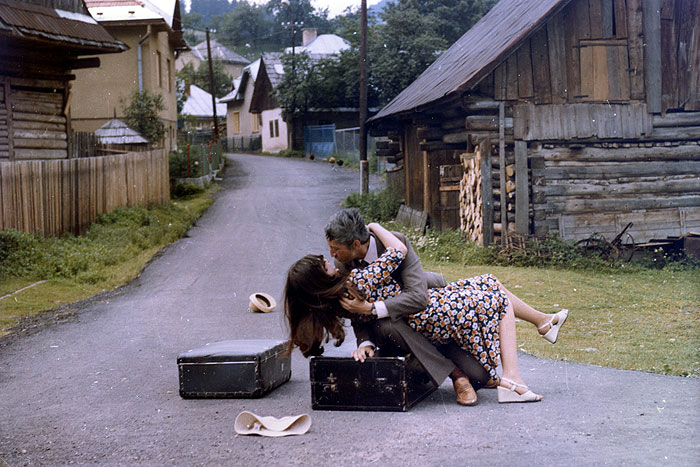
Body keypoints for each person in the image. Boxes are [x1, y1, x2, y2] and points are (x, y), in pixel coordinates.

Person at [286, 209, 568, 404]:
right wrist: (367, 334)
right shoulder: (351, 275)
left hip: (427, 301)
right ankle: (511, 380)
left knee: (490, 287)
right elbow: (393, 264)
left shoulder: (352, 279)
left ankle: (541, 324)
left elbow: (410, 289)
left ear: (356, 243)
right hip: (420, 316)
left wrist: (371, 311)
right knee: (496, 296)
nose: (332, 257)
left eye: (335, 250)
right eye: (328, 258)